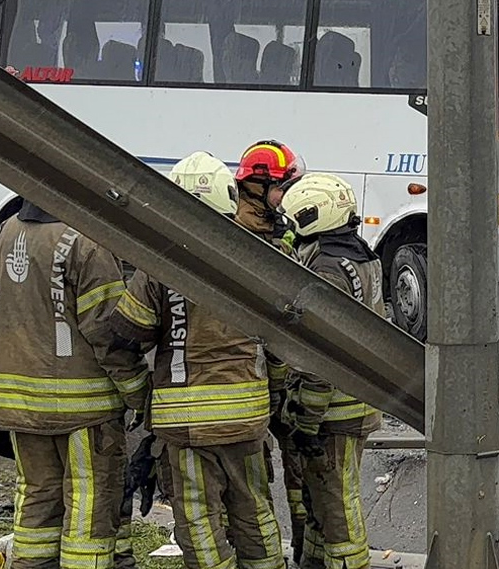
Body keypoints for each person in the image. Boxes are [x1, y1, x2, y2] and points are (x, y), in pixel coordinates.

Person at [111, 151, 284, 569]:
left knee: (198, 518)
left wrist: (142, 400)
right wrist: (272, 395)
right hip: (248, 418)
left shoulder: (161, 264)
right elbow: (284, 348)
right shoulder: (259, 257)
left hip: (186, 422)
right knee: (254, 509)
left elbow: (128, 333)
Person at [0, 200, 143, 569]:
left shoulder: (5, 232)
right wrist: (138, 393)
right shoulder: (87, 242)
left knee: (36, 501)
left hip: (19, 404)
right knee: (90, 505)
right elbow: (109, 334)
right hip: (85, 409)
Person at [277, 173, 384, 569]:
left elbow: (322, 358)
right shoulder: (361, 254)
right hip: (357, 401)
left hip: (333, 409)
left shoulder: (325, 269)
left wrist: (306, 419)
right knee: (325, 497)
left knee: (338, 502)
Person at [233, 139, 309, 559]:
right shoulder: (239, 242)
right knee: (254, 486)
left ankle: (299, 551)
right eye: (283, 186)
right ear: (259, 188)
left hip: (282, 382)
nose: (287, 196)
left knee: (299, 478)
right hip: (254, 385)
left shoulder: (281, 238)